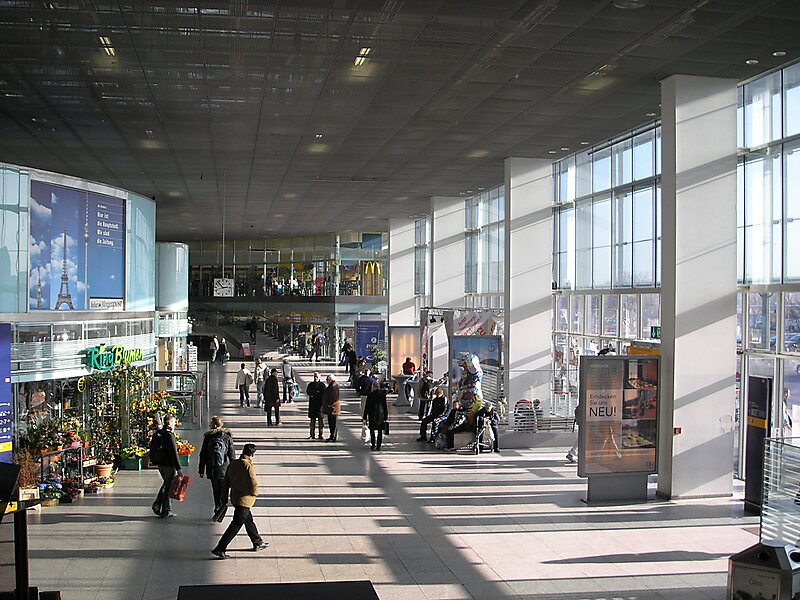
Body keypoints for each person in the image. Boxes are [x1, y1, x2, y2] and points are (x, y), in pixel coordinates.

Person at [211, 443, 269, 559]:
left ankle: (257, 541)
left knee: (248, 520)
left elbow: (226, 481)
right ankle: (220, 548)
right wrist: (255, 493)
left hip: (235, 497)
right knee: (236, 524)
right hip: (245, 500)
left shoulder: (233, 464)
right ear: (252, 454)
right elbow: (253, 481)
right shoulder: (248, 465)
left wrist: (224, 496)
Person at [198, 416, 236, 516]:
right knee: (224, 488)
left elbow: (203, 454)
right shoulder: (227, 437)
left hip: (212, 468)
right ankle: (223, 505)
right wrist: (233, 469)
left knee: (216, 489)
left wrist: (201, 469)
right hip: (224, 468)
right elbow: (231, 455)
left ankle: (217, 506)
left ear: (214, 425)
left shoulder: (208, 437)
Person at [150, 415, 182, 518]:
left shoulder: (158, 433)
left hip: (160, 464)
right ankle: (164, 509)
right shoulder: (169, 435)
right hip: (168, 464)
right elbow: (173, 453)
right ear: (170, 422)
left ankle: (159, 505)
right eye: (173, 421)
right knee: (169, 486)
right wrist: (179, 468)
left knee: (166, 484)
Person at [363, 381, 388, 451]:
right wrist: (386, 416)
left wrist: (365, 416)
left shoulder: (370, 395)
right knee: (380, 431)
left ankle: (373, 444)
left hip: (372, 415)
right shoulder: (382, 395)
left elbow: (367, 407)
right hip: (380, 415)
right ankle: (379, 445)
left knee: (372, 430)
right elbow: (385, 407)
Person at [306, 371, 326, 440]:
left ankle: (320, 435)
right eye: (314, 376)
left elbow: (323, 393)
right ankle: (312, 434)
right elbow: (308, 391)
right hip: (313, 406)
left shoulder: (322, 385)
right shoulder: (310, 384)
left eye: (317, 376)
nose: (315, 377)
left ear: (320, 376)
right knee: (312, 422)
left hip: (320, 406)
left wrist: (314, 393)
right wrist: (317, 392)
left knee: (321, 422)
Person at [322, 374, 340, 441]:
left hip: (333, 408)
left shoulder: (333, 386)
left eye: (327, 379)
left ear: (330, 380)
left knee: (333, 423)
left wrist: (329, 404)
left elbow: (334, 397)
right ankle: (332, 435)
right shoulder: (331, 386)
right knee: (331, 422)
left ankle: (333, 436)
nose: (326, 381)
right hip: (331, 408)